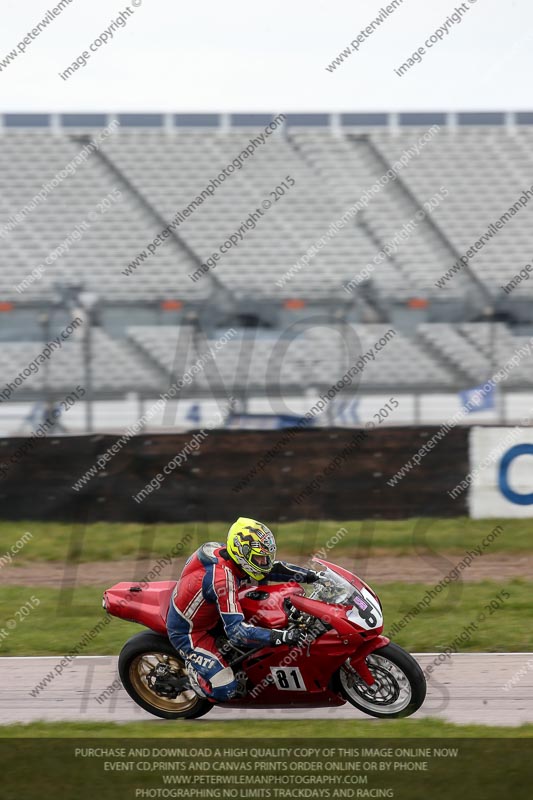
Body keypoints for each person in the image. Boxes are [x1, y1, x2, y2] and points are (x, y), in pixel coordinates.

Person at [166, 517, 320, 702]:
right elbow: (237, 633)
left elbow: (271, 568)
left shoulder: (234, 557)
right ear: (242, 553)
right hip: (190, 632)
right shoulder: (223, 580)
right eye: (259, 558)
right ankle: (193, 675)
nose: (264, 562)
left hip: (211, 610)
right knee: (226, 690)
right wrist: (284, 637)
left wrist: (314, 576)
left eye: (266, 557)